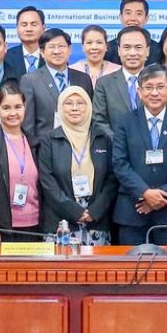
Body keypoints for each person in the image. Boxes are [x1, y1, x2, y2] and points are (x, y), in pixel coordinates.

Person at [109, 68, 167, 245]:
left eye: (160, 86)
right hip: (133, 212)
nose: (155, 92)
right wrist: (145, 193)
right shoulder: (124, 122)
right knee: (132, 270)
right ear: (139, 91)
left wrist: (160, 197)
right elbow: (120, 163)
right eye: (148, 87)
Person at [0, 82, 46, 245]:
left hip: (33, 228)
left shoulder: (34, 143)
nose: (13, 113)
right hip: (2, 229)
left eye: (18, 107)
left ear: (25, 107)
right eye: (6, 108)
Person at [40, 85, 117, 238]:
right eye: (68, 103)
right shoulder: (49, 140)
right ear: (60, 108)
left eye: (80, 103)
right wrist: (74, 211)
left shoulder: (103, 139)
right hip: (61, 223)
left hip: (96, 221)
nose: (74, 108)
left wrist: (95, 211)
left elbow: (112, 179)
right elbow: (47, 181)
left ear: (88, 107)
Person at [20, 27, 92, 143]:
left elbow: (89, 117)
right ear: (42, 52)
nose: (57, 51)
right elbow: (28, 125)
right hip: (45, 149)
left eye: (61, 46)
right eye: (51, 47)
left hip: (79, 147)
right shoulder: (30, 80)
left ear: (69, 49)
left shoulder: (83, 79)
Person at [92, 26, 154, 135]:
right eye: (127, 47)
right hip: (115, 148)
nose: (132, 53)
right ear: (119, 51)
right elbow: (99, 120)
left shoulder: (158, 82)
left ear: (147, 51)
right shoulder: (104, 84)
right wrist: (120, 142)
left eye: (138, 47)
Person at [105, 0, 152, 64]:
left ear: (146, 18)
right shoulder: (108, 49)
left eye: (139, 14)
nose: (133, 18)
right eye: (128, 13)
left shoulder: (158, 50)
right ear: (121, 17)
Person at [13, 6, 47, 73]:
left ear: (43, 27)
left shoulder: (52, 56)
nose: (29, 29)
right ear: (17, 28)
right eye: (24, 25)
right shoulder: (6, 57)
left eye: (33, 24)